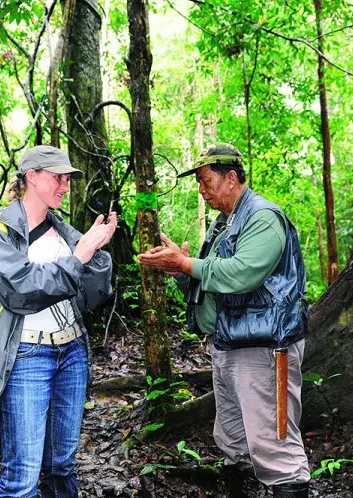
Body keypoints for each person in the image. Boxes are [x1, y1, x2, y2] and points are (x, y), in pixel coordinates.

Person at [138, 143, 310, 498]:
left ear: (231, 178)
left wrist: (186, 264)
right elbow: (210, 280)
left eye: (206, 181)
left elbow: (242, 273)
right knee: (233, 437)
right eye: (199, 183)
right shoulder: (223, 224)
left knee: (273, 442)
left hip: (265, 347)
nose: (202, 190)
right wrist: (179, 268)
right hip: (229, 342)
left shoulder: (263, 218)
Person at [0, 145, 117, 497]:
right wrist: (79, 257)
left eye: (67, 178)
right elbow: (20, 290)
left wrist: (97, 251)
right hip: (26, 355)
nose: (65, 185)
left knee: (62, 464)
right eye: (58, 177)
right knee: (22, 478)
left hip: (72, 351)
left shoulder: (60, 227)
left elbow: (93, 294)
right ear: (32, 177)